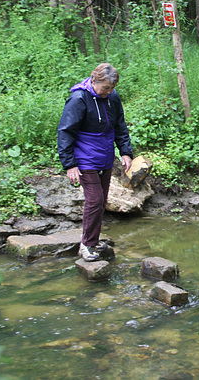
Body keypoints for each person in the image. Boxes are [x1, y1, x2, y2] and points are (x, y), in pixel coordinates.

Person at [57, 63, 133, 262]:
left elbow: (120, 126)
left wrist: (125, 152)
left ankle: (93, 239)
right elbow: (65, 131)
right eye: (105, 88)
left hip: (105, 156)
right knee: (95, 200)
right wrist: (70, 164)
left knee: (102, 200)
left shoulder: (112, 98)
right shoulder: (78, 99)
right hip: (84, 158)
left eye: (112, 88)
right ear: (94, 80)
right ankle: (87, 245)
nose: (108, 92)